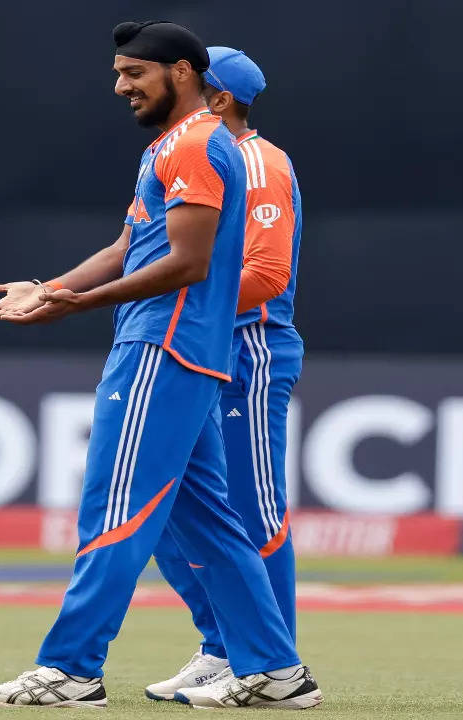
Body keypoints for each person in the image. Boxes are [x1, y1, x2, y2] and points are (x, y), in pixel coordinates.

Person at [0, 22, 320, 710]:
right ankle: (276, 671)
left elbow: (189, 263)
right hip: (178, 345)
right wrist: (51, 288)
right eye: (120, 74)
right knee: (209, 519)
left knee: (117, 512)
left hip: (166, 346)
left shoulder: (198, 145)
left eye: (135, 74)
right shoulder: (176, 145)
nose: (121, 87)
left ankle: (71, 669)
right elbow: (133, 243)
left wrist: (80, 304)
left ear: (188, 77)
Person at [146, 46, 305, 703]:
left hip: (252, 347)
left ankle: (272, 666)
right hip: (207, 346)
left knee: (252, 508)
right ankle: (225, 647)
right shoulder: (195, 154)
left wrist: (180, 302)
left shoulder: (257, 161)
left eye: (184, 82)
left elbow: (267, 274)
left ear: (219, 99)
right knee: (169, 507)